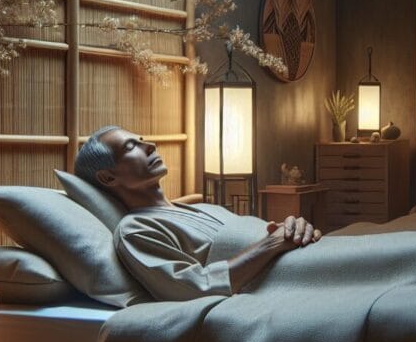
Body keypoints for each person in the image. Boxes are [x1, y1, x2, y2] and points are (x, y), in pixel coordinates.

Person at [75, 125, 322, 301]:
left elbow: (270, 236)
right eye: (132, 147)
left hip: (308, 259)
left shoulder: (205, 208)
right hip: (288, 283)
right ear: (108, 177)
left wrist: (293, 228)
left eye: (142, 140)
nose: (150, 145)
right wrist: (271, 244)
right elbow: (192, 287)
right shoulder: (135, 229)